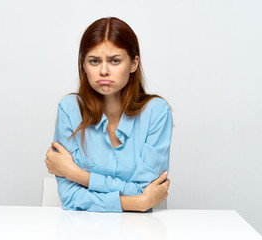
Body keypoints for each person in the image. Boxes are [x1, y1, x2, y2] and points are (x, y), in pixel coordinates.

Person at [45, 17, 173, 212]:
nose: (103, 71)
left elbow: (146, 189)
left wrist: (78, 175)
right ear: (83, 65)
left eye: (115, 61)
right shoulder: (70, 109)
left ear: (133, 63)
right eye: (94, 61)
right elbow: (70, 196)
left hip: (140, 230)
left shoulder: (156, 112)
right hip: (81, 229)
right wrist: (137, 203)